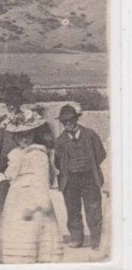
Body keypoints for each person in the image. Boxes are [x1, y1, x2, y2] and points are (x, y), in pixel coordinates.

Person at [0, 110, 63, 264]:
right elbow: (10, 175)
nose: (24, 138)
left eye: (27, 134)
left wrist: (34, 206)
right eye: (20, 135)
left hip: (32, 200)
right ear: (14, 137)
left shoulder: (37, 153)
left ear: (34, 134)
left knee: (32, 236)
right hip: (16, 198)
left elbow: (41, 181)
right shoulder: (15, 154)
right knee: (18, 238)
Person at [53, 103, 106, 250]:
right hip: (69, 180)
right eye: (64, 121)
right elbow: (57, 162)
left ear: (76, 119)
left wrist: (88, 165)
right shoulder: (60, 140)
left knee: (93, 209)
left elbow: (101, 154)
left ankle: (96, 240)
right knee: (72, 210)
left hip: (89, 178)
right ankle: (76, 238)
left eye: (70, 119)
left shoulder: (90, 134)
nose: (68, 123)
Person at [0, 87, 25, 158]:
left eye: (15, 103)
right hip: (3, 159)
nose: (11, 107)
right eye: (8, 103)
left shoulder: (28, 119)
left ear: (20, 103)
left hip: (21, 158)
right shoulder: (0, 120)